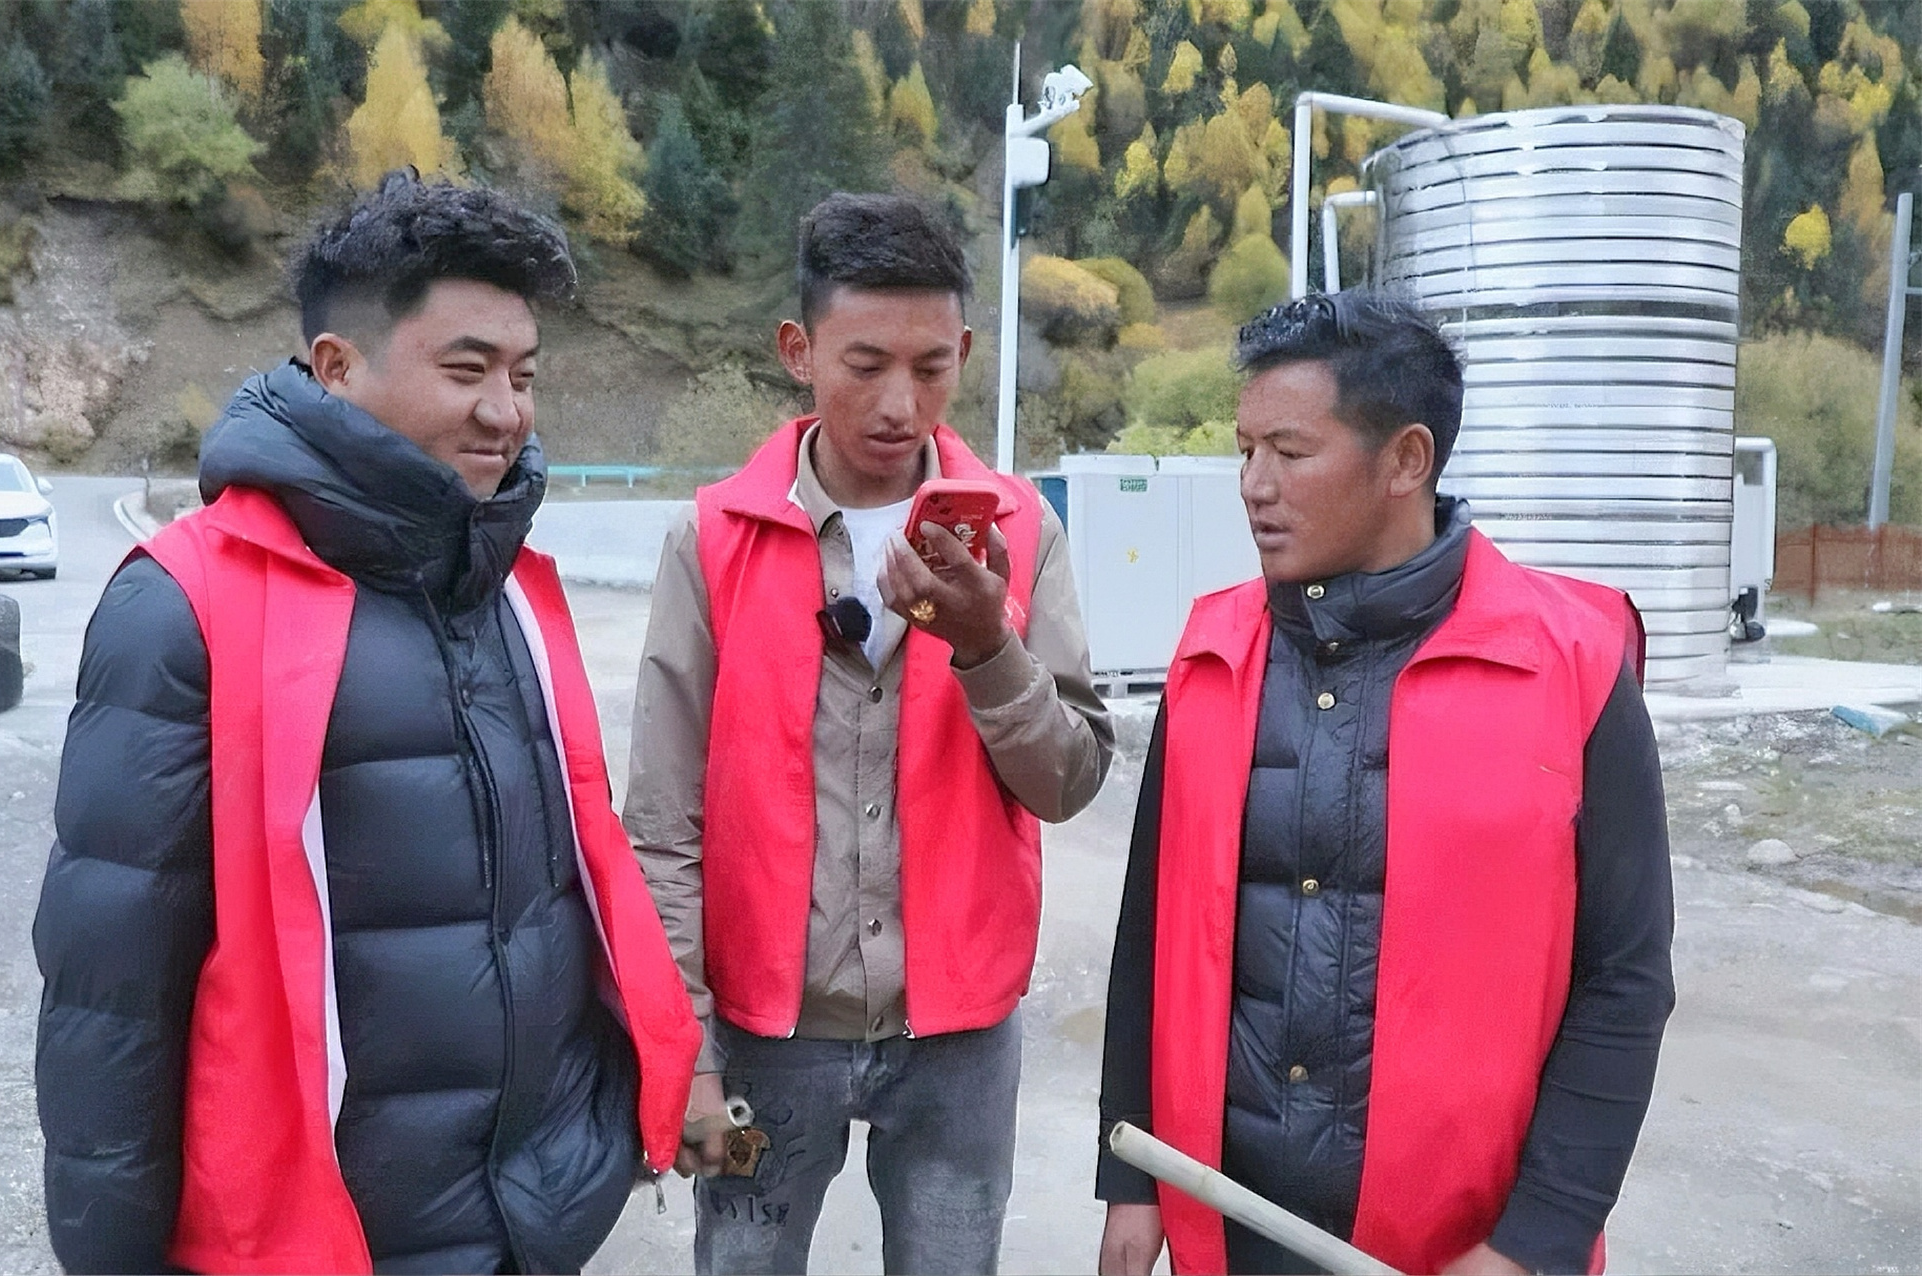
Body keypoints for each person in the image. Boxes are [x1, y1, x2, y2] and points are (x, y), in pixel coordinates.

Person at [32, 171, 699, 1276]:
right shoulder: (186, 604)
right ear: (337, 366)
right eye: (466, 370)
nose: (506, 411)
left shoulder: (509, 581)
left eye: (524, 375)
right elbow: (112, 996)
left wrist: (602, 1123)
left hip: (540, 1214)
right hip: (332, 1236)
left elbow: (568, 886)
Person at [1095, 290, 1675, 1276]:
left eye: (1289, 451)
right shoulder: (1210, 650)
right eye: (1244, 450)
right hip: (1225, 1221)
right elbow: (1149, 927)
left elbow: (1624, 979)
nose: (1253, 485)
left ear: (1406, 460)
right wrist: (1132, 1173)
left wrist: (1533, 1242)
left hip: (1456, 1246)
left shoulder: (1572, 667)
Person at [625, 192, 1115, 1276]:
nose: (901, 403)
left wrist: (986, 645)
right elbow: (662, 825)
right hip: (763, 1041)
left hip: (959, 1048)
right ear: (797, 350)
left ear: (965, 353)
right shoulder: (711, 540)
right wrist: (687, 1054)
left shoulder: (1020, 530)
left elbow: (1070, 780)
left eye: (931, 367)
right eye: (864, 364)